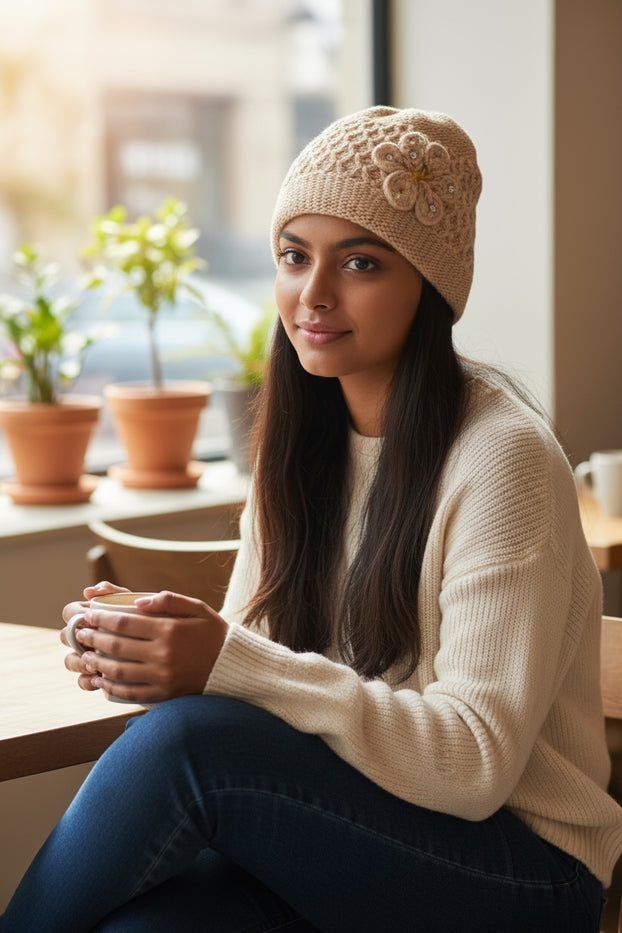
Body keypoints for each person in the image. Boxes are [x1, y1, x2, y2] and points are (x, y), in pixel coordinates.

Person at [1, 106, 620, 933]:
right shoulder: (300, 437)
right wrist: (151, 652)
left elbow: (474, 764)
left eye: (360, 262)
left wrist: (224, 664)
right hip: (359, 825)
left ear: (429, 285)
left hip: (523, 870)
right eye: (295, 256)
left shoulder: (500, 457)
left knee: (191, 747)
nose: (313, 294)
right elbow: (259, 667)